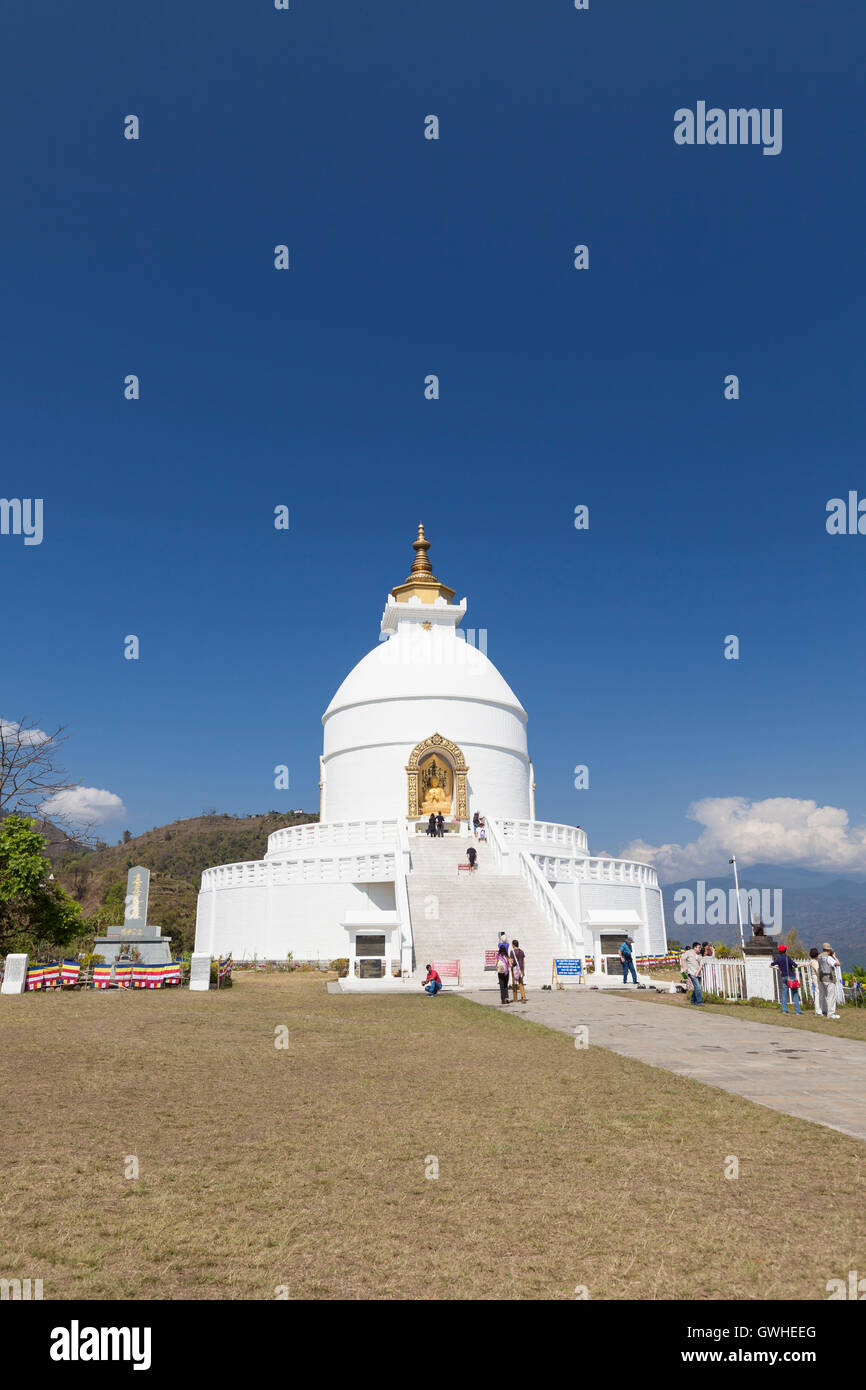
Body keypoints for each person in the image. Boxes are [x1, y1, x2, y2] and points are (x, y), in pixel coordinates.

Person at [771, 943, 802, 1015]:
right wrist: (805, 965)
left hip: (783, 977)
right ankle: (798, 1011)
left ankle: (784, 1010)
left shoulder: (778, 959)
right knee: (795, 994)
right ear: (785, 950)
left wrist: (778, 968)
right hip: (791, 977)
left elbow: (771, 965)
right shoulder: (788, 958)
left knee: (784, 993)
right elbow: (796, 966)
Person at [816, 943, 841, 1020]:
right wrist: (834, 957)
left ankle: (824, 1010)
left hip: (821, 978)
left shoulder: (819, 957)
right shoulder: (829, 958)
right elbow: (838, 964)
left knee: (823, 996)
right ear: (829, 950)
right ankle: (831, 1013)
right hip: (829, 979)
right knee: (831, 996)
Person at [680, 941, 704, 1005]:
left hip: (698, 973)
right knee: (698, 987)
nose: (700, 949)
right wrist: (684, 967)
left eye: (700, 947)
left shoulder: (700, 955)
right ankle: (699, 1002)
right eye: (698, 947)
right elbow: (682, 959)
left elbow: (701, 965)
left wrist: (698, 972)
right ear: (694, 948)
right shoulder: (689, 952)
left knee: (697, 988)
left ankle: (692, 1001)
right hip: (691, 972)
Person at [510, 938, 526, 1003]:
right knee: (521, 984)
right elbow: (523, 961)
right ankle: (523, 997)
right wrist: (523, 970)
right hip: (521, 969)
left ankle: (515, 998)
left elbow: (511, 961)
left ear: (513, 945)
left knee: (514, 984)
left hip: (514, 969)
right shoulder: (521, 951)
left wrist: (510, 968)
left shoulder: (512, 952)